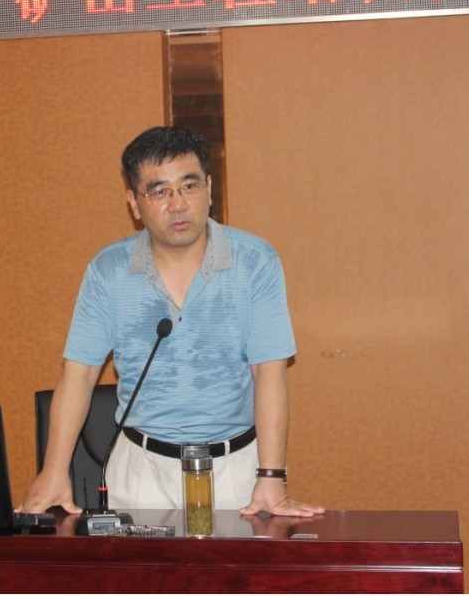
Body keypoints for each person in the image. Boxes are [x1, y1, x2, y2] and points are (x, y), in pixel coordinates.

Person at [17, 126, 323, 519]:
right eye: (159, 191)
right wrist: (54, 471)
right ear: (134, 202)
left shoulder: (254, 261)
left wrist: (272, 475)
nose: (178, 205)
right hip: (140, 470)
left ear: (209, 189)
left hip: (236, 469)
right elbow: (79, 375)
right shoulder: (108, 270)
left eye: (189, 186)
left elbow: (269, 372)